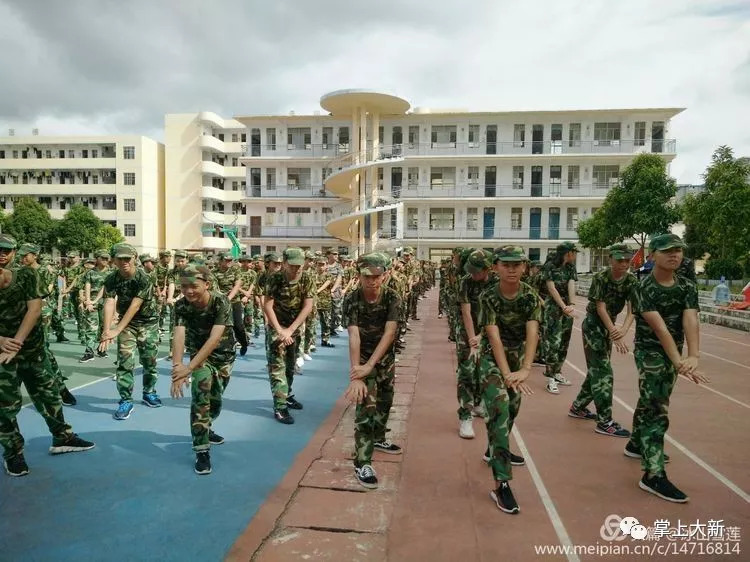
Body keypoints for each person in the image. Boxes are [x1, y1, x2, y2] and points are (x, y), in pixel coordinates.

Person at [0, 234, 95, 477]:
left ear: (14, 253)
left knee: (50, 396)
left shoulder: (28, 275)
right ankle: (13, 454)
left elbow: (35, 309)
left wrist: (17, 341)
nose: (2, 254)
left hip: (31, 350)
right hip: (2, 355)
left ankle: (63, 438)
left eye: (6, 250)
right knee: (5, 407)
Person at [626, 233, 707, 502]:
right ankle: (653, 474)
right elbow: (659, 328)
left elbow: (690, 319)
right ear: (653, 254)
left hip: (676, 353)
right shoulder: (643, 287)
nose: (674, 255)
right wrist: (678, 361)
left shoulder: (686, 285)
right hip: (650, 351)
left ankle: (636, 443)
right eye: (668, 251)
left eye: (678, 251)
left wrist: (693, 356)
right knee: (657, 407)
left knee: (652, 397)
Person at [477, 246, 539, 514]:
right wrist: (506, 375)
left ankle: (493, 447)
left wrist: (525, 369)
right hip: (492, 359)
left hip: (517, 358)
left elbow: (532, 332)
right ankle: (501, 484)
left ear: (524, 267)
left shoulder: (530, 297)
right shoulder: (488, 297)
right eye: (506, 264)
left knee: (512, 410)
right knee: (500, 410)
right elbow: (494, 337)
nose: (512, 269)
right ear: (496, 267)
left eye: (517, 264)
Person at [343, 253, 402, 489]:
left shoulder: (392, 297)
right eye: (367, 276)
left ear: (384, 275)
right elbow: (354, 335)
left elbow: (389, 333)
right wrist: (358, 372)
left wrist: (372, 365)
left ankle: (379, 438)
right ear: (359, 276)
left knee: (386, 401)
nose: (372, 281)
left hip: (384, 357)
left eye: (377, 276)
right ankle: (362, 462)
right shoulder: (352, 299)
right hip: (363, 357)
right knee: (366, 407)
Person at [170, 265, 236, 475]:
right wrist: (178, 369)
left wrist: (187, 368)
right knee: (200, 396)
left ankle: (206, 426)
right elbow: (179, 335)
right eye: (184, 286)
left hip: (223, 356)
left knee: (215, 400)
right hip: (199, 357)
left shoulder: (221, 301)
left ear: (207, 285)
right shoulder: (181, 306)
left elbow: (215, 338)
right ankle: (201, 449)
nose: (188, 291)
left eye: (194, 286)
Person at [570, 244, 637, 437]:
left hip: (611, 325)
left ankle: (578, 407)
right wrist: (613, 332)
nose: (624, 263)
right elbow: (600, 307)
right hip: (594, 325)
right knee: (603, 372)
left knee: (597, 370)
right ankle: (604, 421)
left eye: (627, 260)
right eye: (619, 260)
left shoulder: (631, 280)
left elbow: (633, 308)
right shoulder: (601, 278)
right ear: (611, 260)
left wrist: (623, 329)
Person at [99, 243, 162, 420]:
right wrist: (106, 331)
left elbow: (136, 305)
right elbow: (110, 302)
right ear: (114, 261)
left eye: (127, 258)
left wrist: (116, 329)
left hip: (147, 323)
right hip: (127, 325)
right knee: (125, 361)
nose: (124, 261)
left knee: (149, 359)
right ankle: (126, 399)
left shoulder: (144, 277)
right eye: (120, 258)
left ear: (135, 259)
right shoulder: (112, 279)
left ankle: (149, 391)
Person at [263, 248, 315, 424]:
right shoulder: (275, 278)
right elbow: (268, 306)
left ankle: (287, 394)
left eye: (299, 265)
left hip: (294, 328)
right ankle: (280, 407)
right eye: (292, 266)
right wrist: (280, 331)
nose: (296, 269)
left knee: (290, 366)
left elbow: (307, 306)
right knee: (277, 367)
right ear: (284, 263)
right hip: (276, 327)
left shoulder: (307, 278)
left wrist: (291, 330)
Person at [456, 250, 493, 439]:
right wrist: (473, 341)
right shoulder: (465, 281)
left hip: (489, 330)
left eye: (477, 271)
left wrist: (482, 335)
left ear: (488, 268)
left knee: (484, 372)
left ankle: (478, 404)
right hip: (466, 331)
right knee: (468, 371)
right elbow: (466, 313)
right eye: (471, 270)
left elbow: (497, 313)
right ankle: (465, 416)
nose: (473, 274)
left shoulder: (496, 282)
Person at [540, 241, 579, 394]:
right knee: (553, 342)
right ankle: (550, 378)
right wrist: (563, 306)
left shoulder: (570, 267)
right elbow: (551, 288)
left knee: (564, 341)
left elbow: (571, 284)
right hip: (553, 308)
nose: (575, 255)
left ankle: (557, 372)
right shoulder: (550, 266)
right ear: (568, 253)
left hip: (567, 308)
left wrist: (572, 304)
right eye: (574, 252)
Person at [213, 252, 248, 356]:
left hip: (234, 301)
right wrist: (222, 298)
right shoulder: (214, 272)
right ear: (221, 261)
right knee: (223, 327)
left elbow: (237, 285)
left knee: (238, 326)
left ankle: (244, 343)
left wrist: (228, 298)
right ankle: (226, 349)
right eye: (226, 260)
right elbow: (214, 288)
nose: (229, 262)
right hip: (220, 302)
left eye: (230, 260)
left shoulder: (235, 270)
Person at [82, 250, 112, 362]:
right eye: (102, 258)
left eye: (106, 258)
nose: (105, 260)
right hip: (93, 301)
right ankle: (89, 351)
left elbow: (108, 288)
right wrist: (88, 301)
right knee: (91, 326)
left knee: (103, 327)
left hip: (107, 301)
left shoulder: (111, 273)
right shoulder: (90, 273)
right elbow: (87, 285)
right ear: (97, 259)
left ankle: (101, 349)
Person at [315, 256, 336, 347]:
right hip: (313, 302)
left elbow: (326, 283)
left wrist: (317, 291)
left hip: (325, 302)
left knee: (326, 322)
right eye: (319, 265)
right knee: (312, 324)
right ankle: (311, 343)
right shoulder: (311, 275)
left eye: (323, 265)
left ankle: (325, 340)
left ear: (326, 265)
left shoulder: (329, 276)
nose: (321, 267)